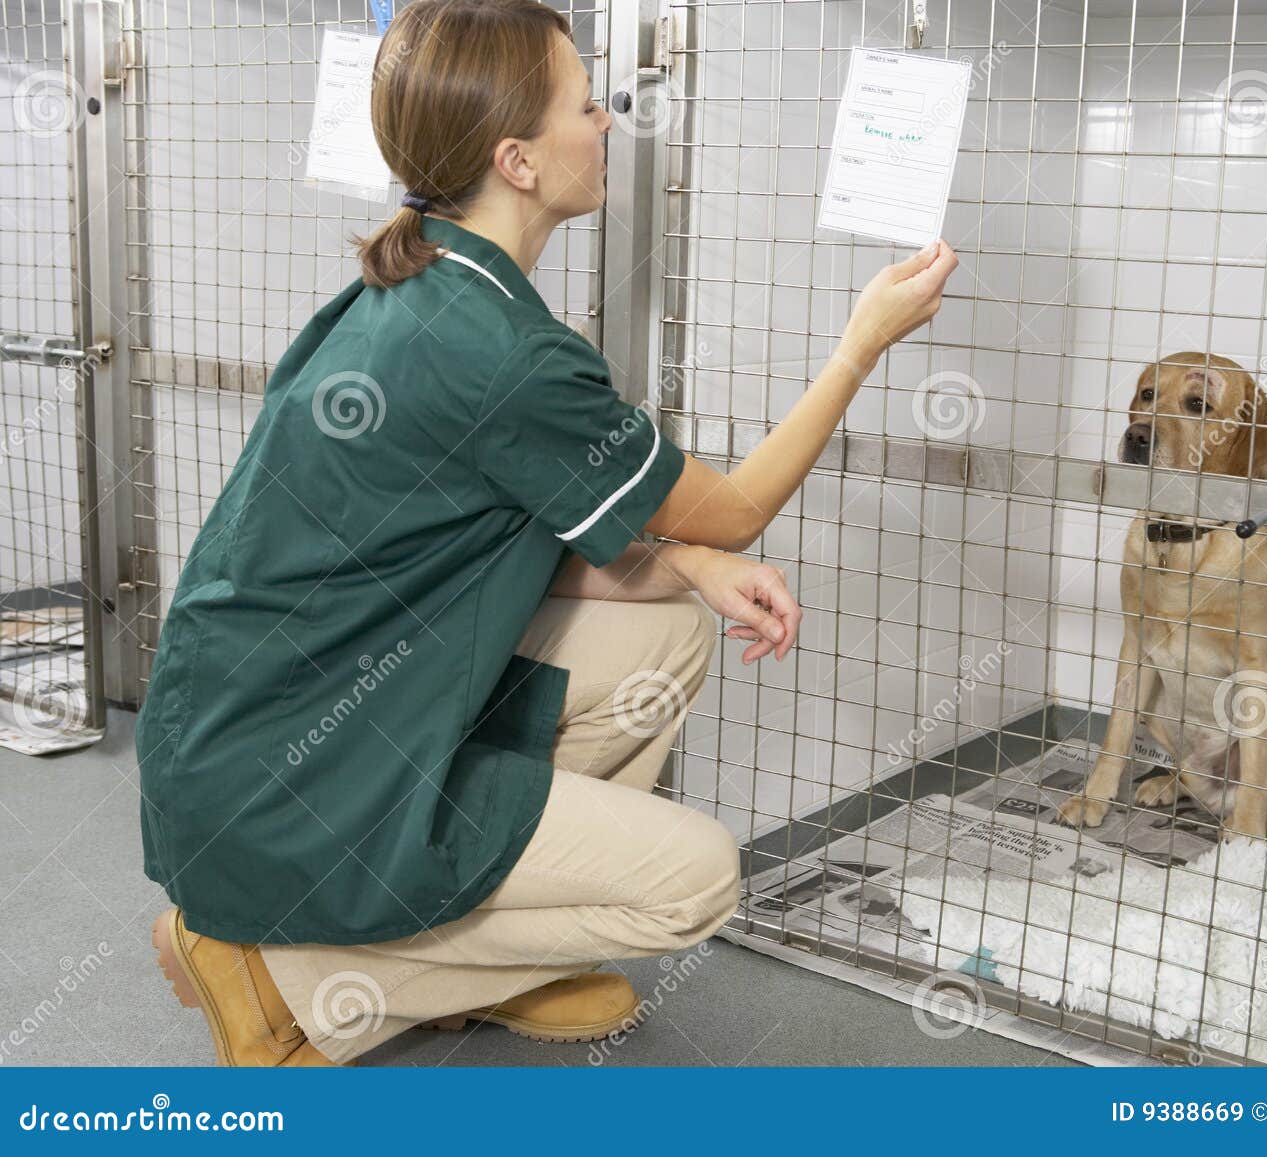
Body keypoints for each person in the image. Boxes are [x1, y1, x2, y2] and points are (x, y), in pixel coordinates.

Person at [141, 0, 957, 1066]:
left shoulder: (424, 278)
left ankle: (487, 958)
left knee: (670, 633)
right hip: (289, 773)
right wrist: (861, 343)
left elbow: (506, 551)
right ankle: (282, 974)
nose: (609, 120)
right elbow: (747, 501)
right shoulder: (509, 353)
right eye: (586, 102)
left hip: (247, 734)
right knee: (698, 878)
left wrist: (694, 566)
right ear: (516, 159)